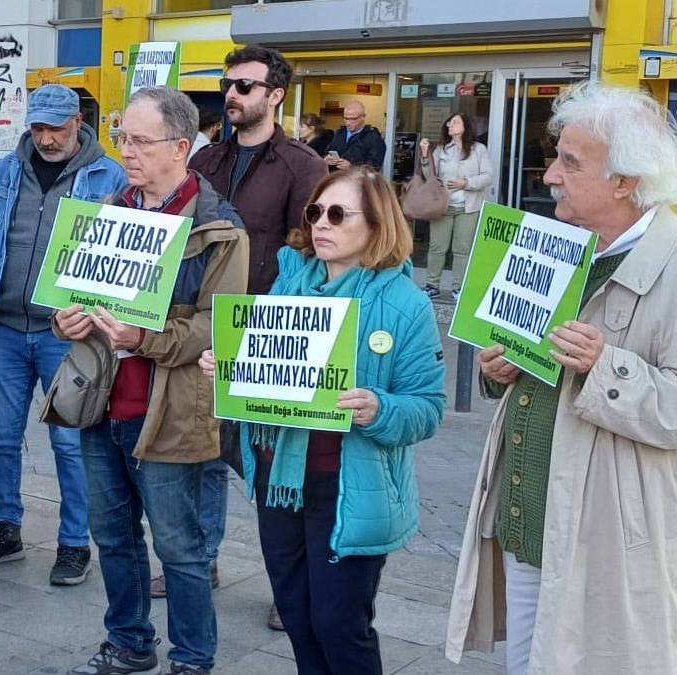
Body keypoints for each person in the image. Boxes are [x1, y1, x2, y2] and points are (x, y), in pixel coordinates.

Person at [446, 82, 677, 675]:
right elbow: (538, 371)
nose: (550, 173)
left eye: (570, 162)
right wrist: (500, 371)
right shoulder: (555, 245)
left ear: (625, 182)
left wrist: (606, 366)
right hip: (530, 526)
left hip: (603, 543)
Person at [201, 167, 445, 673]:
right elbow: (265, 368)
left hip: (348, 486)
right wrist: (227, 365)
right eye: (315, 212)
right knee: (297, 616)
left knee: (339, 624)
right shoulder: (288, 282)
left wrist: (380, 409)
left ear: (378, 224)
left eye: (338, 214)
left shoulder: (405, 304)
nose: (321, 225)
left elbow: (427, 406)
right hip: (279, 481)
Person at [57, 85, 249, 675]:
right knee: (111, 535)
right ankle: (130, 641)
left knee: (180, 547)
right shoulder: (110, 210)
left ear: (181, 147)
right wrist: (69, 317)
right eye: (122, 137)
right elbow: (79, 298)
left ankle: (193, 658)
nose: (127, 151)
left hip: (168, 410)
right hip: (100, 401)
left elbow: (221, 329)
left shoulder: (220, 229)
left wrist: (144, 338)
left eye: (140, 141)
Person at [0, 84, 127, 585]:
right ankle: (6, 527)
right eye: (37, 127)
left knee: (69, 441)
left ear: (78, 121)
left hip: (70, 334)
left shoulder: (109, 174)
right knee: (1, 437)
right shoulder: (8, 168)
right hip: (8, 328)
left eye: (55, 127)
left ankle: (75, 543)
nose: (45, 138)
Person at [188, 44, 327, 630]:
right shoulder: (206, 162)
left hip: (272, 335)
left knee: (270, 463)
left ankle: (289, 581)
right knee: (201, 453)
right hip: (205, 329)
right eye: (228, 85)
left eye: (245, 86)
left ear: (275, 95)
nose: (232, 94)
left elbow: (312, 255)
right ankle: (202, 560)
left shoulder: (303, 167)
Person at [419, 112, 492, 301]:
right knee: (437, 247)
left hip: (468, 206)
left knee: (462, 249)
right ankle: (432, 285)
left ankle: (458, 287)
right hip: (444, 205)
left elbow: (487, 176)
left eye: (455, 122)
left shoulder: (479, 149)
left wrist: (466, 183)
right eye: (449, 122)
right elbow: (430, 175)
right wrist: (425, 156)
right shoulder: (442, 149)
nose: (450, 125)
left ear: (465, 126)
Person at [323, 101, 386, 172]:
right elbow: (327, 151)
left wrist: (352, 167)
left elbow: (374, 168)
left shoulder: (374, 138)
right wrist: (326, 159)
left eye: (353, 119)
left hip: (358, 181)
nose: (348, 123)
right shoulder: (339, 133)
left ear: (363, 117)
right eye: (346, 118)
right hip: (337, 178)